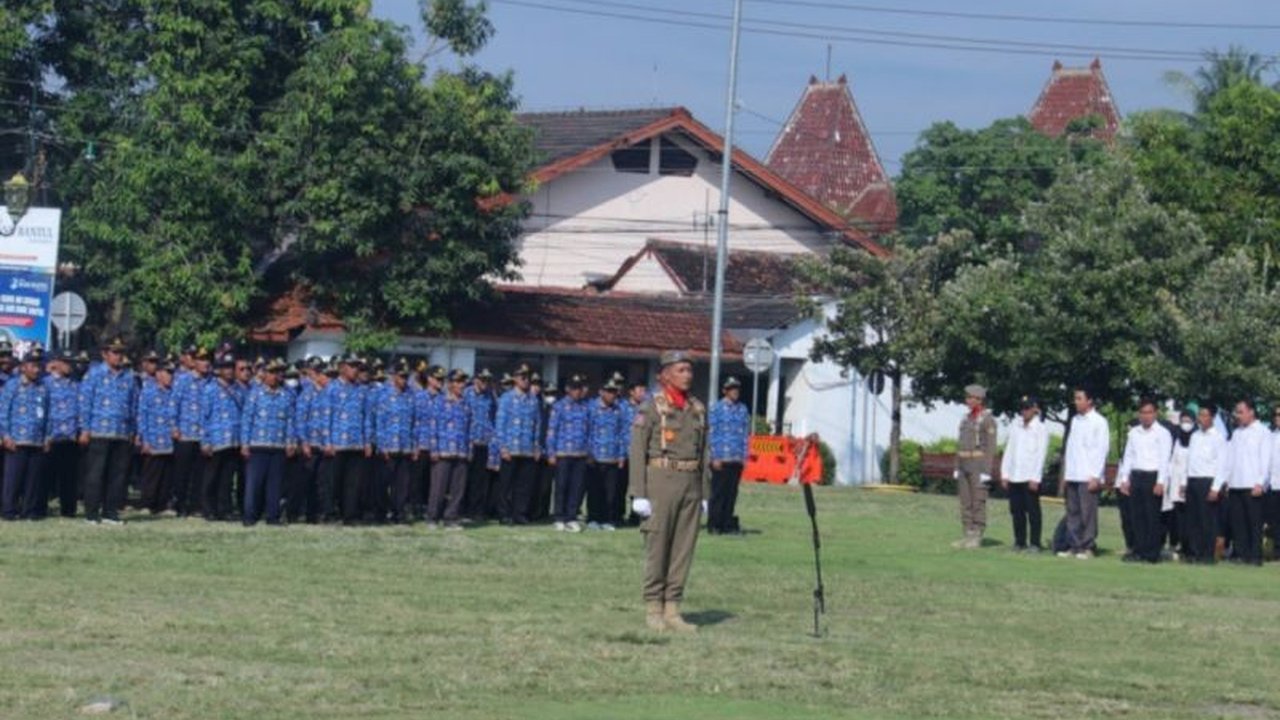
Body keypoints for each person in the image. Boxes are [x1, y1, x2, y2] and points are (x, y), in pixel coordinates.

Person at [628, 350, 708, 633]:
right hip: (660, 480)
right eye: (681, 370)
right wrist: (638, 493)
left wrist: (705, 494)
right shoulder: (651, 408)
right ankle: (653, 606)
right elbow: (637, 451)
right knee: (658, 547)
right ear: (665, 375)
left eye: (689, 370)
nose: (687, 375)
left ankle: (673, 607)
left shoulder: (697, 408)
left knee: (683, 549)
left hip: (690, 483)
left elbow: (704, 453)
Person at [78, 337, 139, 525]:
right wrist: (84, 429)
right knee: (96, 474)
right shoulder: (94, 374)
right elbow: (85, 403)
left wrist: (133, 431)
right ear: (105, 354)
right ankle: (91, 513)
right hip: (98, 431)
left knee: (117, 476)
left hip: (121, 432)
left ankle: (110, 512)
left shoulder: (129, 377)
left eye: (121, 352)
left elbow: (134, 405)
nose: (119, 356)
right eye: (115, 352)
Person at [1115, 398, 1173, 563]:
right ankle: (1138, 550)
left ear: (1155, 413)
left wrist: (1161, 482)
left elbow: (1164, 460)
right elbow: (1129, 456)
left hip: (1152, 476)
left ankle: (1151, 553)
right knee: (1137, 517)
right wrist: (1125, 479)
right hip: (1137, 476)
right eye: (1143, 413)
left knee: (1151, 517)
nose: (1146, 416)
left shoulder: (1162, 433)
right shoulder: (1134, 433)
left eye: (1149, 412)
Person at [317, 354, 372, 525]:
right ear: (342, 367)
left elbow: (366, 417)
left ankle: (349, 515)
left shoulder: (361, 390)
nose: (355, 370)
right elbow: (325, 417)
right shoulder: (331, 389)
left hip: (356, 444)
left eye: (357, 366)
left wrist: (367, 441)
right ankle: (329, 513)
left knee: (353, 484)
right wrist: (327, 442)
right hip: (337, 444)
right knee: (332, 483)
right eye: (352, 366)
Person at [240, 359, 295, 526]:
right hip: (258, 444)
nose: (275, 376)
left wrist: (290, 442)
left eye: (278, 373)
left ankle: (273, 516)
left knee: (275, 485)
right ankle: (249, 516)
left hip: (278, 445)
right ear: (264, 374)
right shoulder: (255, 394)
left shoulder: (286, 396)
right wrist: (245, 443)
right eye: (271, 372)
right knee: (254, 485)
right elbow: (247, 419)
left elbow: (290, 421)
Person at [1060, 386, 1109, 559]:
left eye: (1080, 398)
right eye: (1075, 398)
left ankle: (1088, 546)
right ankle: (1074, 545)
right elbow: (1071, 448)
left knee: (1087, 512)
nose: (1076, 402)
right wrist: (1066, 474)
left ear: (1089, 401)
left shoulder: (1099, 421)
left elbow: (1101, 450)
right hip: (1074, 472)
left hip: (1088, 475)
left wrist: (1096, 475)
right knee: (1073, 511)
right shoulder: (1075, 421)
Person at [0, 349, 49, 520]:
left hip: (36, 440)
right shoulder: (12, 386)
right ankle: (9, 511)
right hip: (16, 440)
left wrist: (47, 437)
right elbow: (3, 412)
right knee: (13, 479)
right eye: (33, 366)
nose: (37, 370)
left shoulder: (43, 387)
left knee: (33, 480)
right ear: (23, 367)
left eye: (39, 366)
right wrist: (5, 436)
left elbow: (48, 414)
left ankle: (29, 511)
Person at [1217, 399, 1268, 565]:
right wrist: (1225, 481)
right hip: (1236, 483)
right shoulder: (1237, 433)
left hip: (1252, 484)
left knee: (1253, 522)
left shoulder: (1262, 432)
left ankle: (1255, 556)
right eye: (1236, 412)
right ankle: (1241, 554)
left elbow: (1265, 460)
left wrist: (1261, 482)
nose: (1238, 416)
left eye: (1241, 412)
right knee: (1238, 522)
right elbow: (1229, 459)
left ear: (1251, 412)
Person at [493, 364, 542, 525]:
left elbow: (537, 424)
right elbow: (500, 424)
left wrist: (536, 446)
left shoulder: (533, 400)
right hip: (510, 449)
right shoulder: (506, 398)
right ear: (515, 378)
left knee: (524, 486)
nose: (526, 380)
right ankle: (504, 514)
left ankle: (519, 513)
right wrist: (502, 446)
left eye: (528, 377)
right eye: (522, 377)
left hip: (527, 449)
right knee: (506, 485)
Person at [999, 395, 1048, 552]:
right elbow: (1009, 451)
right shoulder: (1016, 427)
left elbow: (1041, 455)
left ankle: (1035, 542)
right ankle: (1019, 541)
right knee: (1016, 511)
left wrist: (1036, 477)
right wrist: (1005, 473)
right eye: (1022, 408)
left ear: (1035, 409)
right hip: (1015, 475)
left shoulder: (1040, 429)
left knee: (1033, 511)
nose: (1024, 411)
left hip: (1029, 476)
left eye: (1027, 408)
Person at [952, 384, 996, 549]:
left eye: (971, 398)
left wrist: (987, 470)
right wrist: (957, 466)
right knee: (965, 501)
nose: (968, 400)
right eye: (967, 397)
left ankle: (977, 535)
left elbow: (990, 447)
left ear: (979, 399)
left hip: (978, 465)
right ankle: (967, 534)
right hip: (964, 463)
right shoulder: (965, 418)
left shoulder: (987, 419)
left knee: (978, 501)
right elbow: (960, 444)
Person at [374, 358, 418, 524]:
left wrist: (414, 446)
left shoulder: (410, 395)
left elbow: (414, 423)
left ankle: (398, 513)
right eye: (401, 376)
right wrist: (382, 445)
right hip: (388, 446)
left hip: (405, 446)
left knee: (402, 484)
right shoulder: (384, 395)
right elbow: (379, 421)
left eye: (406, 377)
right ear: (393, 377)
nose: (404, 380)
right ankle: (381, 513)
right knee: (383, 483)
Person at [426, 369, 472, 530]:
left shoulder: (466, 403)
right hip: (443, 450)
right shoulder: (439, 402)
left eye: (463, 382)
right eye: (458, 382)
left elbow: (469, 428)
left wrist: (469, 450)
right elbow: (432, 426)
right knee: (438, 487)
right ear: (450, 384)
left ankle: (451, 517)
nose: (462, 385)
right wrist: (434, 449)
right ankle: (432, 517)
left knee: (457, 489)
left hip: (461, 451)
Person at [547, 374, 591, 532]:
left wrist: (589, 452)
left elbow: (589, 430)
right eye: (574, 388)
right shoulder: (559, 406)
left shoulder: (585, 407)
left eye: (579, 388)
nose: (577, 392)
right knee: (561, 486)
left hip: (580, 453)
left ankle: (571, 516)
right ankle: (559, 516)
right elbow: (552, 430)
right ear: (567, 389)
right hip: (563, 452)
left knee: (576, 487)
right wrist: (551, 452)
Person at [1182, 403, 1225, 564]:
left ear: (1212, 417)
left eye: (1204, 415)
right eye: (1199, 415)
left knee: (1207, 520)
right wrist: (1185, 482)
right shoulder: (1195, 436)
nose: (1201, 418)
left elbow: (1222, 465)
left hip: (1208, 481)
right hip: (1193, 480)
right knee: (1193, 520)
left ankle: (1207, 554)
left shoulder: (1218, 437)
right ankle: (1194, 552)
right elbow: (1190, 460)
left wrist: (1215, 488)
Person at [707, 376, 750, 535]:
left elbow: (745, 434)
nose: (735, 392)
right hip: (721, 458)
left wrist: (745, 456)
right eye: (732, 389)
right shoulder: (716, 408)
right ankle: (714, 524)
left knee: (732, 494)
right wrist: (714, 456)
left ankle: (727, 524)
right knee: (718, 493)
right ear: (725, 391)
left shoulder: (742, 409)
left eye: (737, 389)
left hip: (736, 458)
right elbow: (711, 433)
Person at [136, 358, 178, 516]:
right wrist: (144, 439)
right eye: (167, 373)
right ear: (159, 374)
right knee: (151, 473)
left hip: (169, 439)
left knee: (167, 474)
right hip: (153, 437)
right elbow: (142, 416)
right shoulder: (148, 392)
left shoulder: (173, 392)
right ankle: (147, 503)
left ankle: (163, 504)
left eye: (172, 373)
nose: (170, 377)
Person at [171, 346, 209, 517]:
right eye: (201, 359)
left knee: (200, 473)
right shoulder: (183, 380)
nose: (205, 363)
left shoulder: (211, 382)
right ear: (194, 362)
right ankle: (180, 505)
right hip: (185, 432)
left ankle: (196, 505)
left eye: (207, 360)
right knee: (182, 473)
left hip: (204, 435)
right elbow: (174, 404)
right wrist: (174, 426)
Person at [585, 377, 626, 531]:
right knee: (595, 490)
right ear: (601, 392)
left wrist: (621, 455)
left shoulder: (618, 410)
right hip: (595, 457)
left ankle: (608, 519)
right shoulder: (591, 408)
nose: (612, 395)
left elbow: (622, 433)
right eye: (609, 391)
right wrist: (588, 453)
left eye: (614, 392)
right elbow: (586, 431)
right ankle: (593, 518)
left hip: (612, 456)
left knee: (611, 492)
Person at [43, 350, 80, 518]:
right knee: (46, 477)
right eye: (65, 362)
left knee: (70, 477)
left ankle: (68, 509)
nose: (69, 365)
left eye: (71, 362)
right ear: (56, 363)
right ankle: (41, 507)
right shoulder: (45, 384)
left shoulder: (75, 384)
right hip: (52, 437)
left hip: (70, 437)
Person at [462, 368, 497, 522]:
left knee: (480, 480)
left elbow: (493, 419)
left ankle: (475, 511)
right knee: (465, 479)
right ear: (476, 379)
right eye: (483, 380)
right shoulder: (466, 394)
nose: (485, 383)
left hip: (484, 443)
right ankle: (463, 509)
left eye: (488, 380)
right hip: (469, 442)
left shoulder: (490, 396)